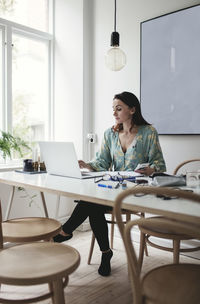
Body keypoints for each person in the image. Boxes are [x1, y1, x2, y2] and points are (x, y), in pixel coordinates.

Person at [53, 91, 166, 276]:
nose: (114, 113)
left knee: (91, 203)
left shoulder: (149, 133)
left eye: (119, 108)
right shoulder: (110, 134)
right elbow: (102, 163)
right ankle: (105, 253)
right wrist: (87, 165)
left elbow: (159, 164)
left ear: (132, 109)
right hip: (112, 189)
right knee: (93, 202)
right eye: (113, 109)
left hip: (135, 192)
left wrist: (150, 169)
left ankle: (66, 232)